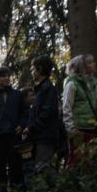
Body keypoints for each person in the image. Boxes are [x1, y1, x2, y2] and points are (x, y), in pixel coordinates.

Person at [24, 54, 61, 182]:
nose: (32, 72)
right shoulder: (40, 90)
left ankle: (61, 189)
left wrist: (32, 128)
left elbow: (46, 113)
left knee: (43, 167)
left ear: (39, 69)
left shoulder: (48, 89)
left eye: (33, 69)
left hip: (45, 136)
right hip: (39, 136)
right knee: (40, 167)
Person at [62, 54, 97, 168]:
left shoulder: (92, 84)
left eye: (93, 61)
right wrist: (71, 129)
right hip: (78, 129)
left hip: (92, 128)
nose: (94, 64)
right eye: (90, 62)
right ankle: (71, 184)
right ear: (82, 67)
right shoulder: (71, 84)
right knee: (75, 160)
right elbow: (67, 107)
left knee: (89, 161)